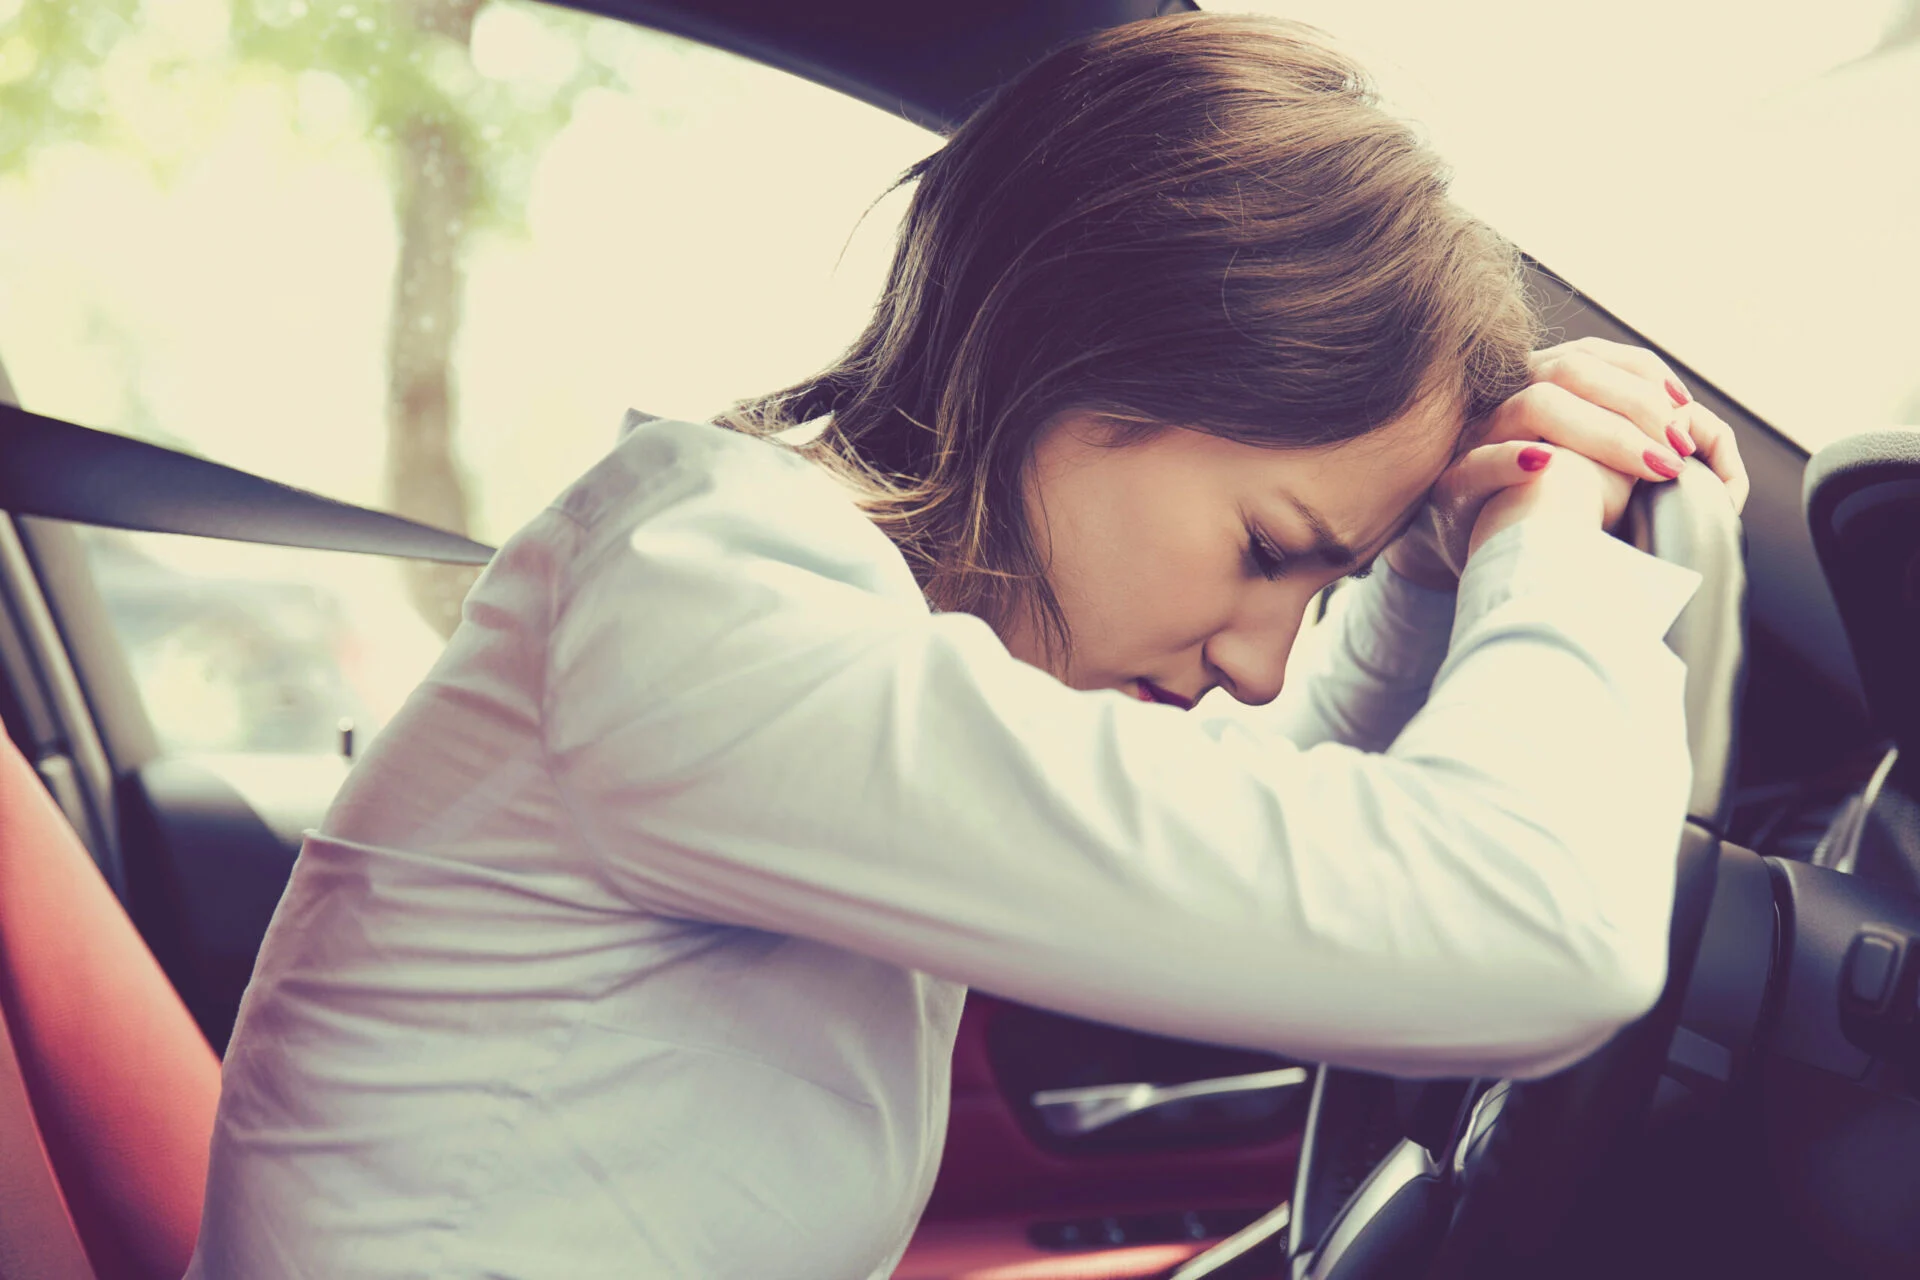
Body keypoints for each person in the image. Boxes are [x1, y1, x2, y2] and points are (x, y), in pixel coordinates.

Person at [188, 12, 1748, 1279]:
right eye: (1269, 552)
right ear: (1075, 356)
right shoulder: (701, 608)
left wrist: (1423, 571)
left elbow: (1267, 818)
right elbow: (1542, 931)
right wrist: (1552, 541)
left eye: (1314, 585)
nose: (1264, 661)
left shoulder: (830, 627)